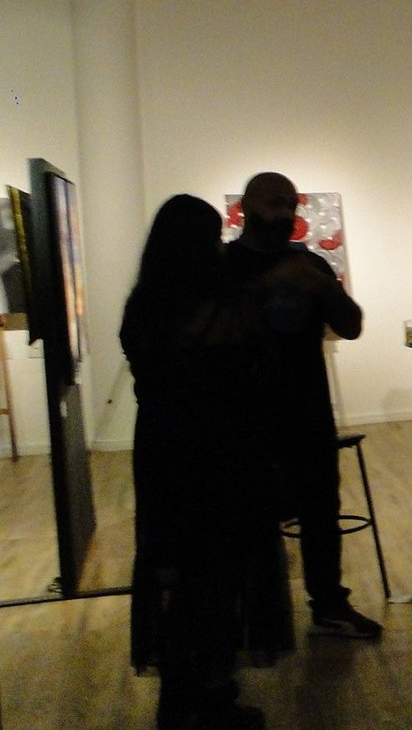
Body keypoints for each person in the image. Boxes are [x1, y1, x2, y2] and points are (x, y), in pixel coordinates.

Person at [124, 195, 292, 730]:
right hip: (216, 456)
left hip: (166, 452)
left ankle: (187, 697)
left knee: (183, 576)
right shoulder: (215, 307)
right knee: (215, 577)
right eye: (211, 237)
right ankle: (207, 696)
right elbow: (249, 370)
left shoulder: (146, 304)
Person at [223, 172, 380, 639]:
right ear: (247, 206)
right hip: (246, 413)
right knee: (248, 513)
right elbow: (214, 326)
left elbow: (351, 326)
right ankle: (251, 617)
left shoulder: (311, 263)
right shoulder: (225, 264)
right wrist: (271, 283)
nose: (285, 213)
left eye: (291, 204)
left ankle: (328, 603)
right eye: (275, 203)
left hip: (307, 409)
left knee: (321, 510)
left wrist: (324, 288)